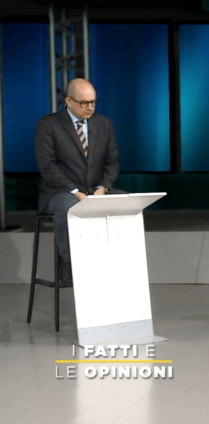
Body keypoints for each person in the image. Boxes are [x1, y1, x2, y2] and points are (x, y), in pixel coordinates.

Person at [34, 78, 122, 286]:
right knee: (71, 205)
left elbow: (112, 160)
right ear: (69, 101)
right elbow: (47, 165)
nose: (89, 107)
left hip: (95, 190)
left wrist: (102, 187)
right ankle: (68, 263)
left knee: (124, 201)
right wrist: (75, 191)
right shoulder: (49, 124)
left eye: (93, 102)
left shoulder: (104, 124)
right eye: (84, 103)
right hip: (60, 192)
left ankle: (116, 261)